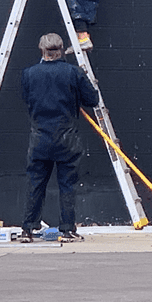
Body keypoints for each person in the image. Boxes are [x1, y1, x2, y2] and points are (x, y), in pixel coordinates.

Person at [19, 33, 100, 242]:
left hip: (39, 138)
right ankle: (67, 229)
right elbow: (92, 100)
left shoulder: (29, 74)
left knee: (35, 183)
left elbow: (27, 99)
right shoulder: (73, 72)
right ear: (62, 49)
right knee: (67, 185)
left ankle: (28, 229)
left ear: (41, 49)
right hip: (67, 138)